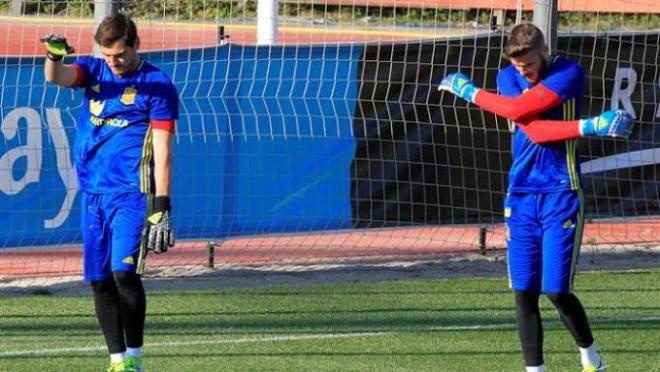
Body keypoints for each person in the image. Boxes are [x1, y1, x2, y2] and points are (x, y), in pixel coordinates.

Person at [438, 23, 633, 372]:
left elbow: (536, 126)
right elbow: (525, 121)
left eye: (527, 64)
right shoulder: (506, 78)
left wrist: (469, 91)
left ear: (543, 52)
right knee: (524, 291)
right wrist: (590, 126)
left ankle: (590, 356)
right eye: (517, 65)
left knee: (556, 290)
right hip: (521, 194)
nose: (522, 71)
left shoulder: (568, 73)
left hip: (561, 191)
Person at [42, 13, 178, 372]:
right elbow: (59, 77)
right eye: (107, 55)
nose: (113, 62)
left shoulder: (157, 84)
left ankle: (134, 359)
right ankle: (117, 361)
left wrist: (162, 204)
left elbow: (163, 150)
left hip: (133, 193)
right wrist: (55, 56)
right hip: (92, 193)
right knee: (100, 282)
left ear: (135, 44)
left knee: (124, 274)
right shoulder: (93, 69)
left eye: (119, 54)